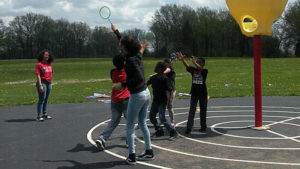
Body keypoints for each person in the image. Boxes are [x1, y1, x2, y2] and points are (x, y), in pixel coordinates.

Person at [111, 24, 154, 165]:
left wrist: (122, 84)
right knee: (142, 123)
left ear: (124, 47)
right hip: (146, 93)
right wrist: (116, 31)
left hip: (137, 95)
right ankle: (149, 151)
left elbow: (137, 78)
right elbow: (126, 42)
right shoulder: (135, 54)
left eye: (120, 44)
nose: (119, 44)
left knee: (130, 126)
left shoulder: (129, 61)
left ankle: (132, 156)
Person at [95, 54, 130, 151]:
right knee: (130, 122)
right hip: (126, 99)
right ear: (124, 62)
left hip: (115, 100)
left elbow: (120, 64)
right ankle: (129, 141)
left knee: (113, 121)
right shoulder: (127, 71)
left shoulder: (112, 72)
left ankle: (102, 138)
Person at [176, 52, 208, 134]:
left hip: (203, 94)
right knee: (192, 111)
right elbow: (187, 66)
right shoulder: (193, 70)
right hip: (194, 93)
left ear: (203, 64)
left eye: (199, 62)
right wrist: (182, 59)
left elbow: (200, 69)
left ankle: (203, 127)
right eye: (197, 62)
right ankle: (189, 128)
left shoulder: (205, 71)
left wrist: (194, 62)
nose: (197, 63)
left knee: (203, 111)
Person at [147, 62, 178, 139]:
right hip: (155, 100)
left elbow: (171, 90)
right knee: (151, 116)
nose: (155, 67)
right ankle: (159, 130)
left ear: (160, 69)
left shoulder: (165, 79)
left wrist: (170, 101)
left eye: (156, 66)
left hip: (162, 101)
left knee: (162, 117)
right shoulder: (153, 78)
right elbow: (145, 84)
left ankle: (173, 131)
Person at [35, 49, 54, 121]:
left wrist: (50, 82)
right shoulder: (39, 65)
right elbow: (38, 75)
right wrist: (40, 85)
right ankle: (39, 115)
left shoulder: (49, 64)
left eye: (48, 55)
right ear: (42, 56)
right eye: (45, 55)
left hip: (49, 83)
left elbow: (51, 73)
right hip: (42, 83)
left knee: (46, 99)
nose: (47, 56)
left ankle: (44, 114)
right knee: (41, 99)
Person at [164, 58, 176, 126]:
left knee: (169, 105)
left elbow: (171, 86)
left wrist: (171, 98)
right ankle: (162, 119)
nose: (165, 63)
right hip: (165, 90)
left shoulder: (172, 72)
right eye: (165, 62)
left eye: (167, 62)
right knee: (163, 105)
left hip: (171, 90)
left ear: (170, 64)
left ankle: (172, 121)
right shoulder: (163, 71)